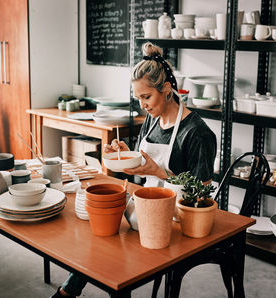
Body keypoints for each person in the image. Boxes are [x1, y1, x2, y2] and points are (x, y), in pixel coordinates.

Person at [51, 42, 217, 298]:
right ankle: (68, 291)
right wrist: (123, 154)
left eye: (147, 97)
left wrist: (162, 174)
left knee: (111, 244)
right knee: (102, 231)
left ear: (167, 89)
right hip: (145, 203)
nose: (143, 106)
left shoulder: (197, 133)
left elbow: (203, 194)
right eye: (138, 98)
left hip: (177, 220)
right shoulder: (153, 118)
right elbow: (141, 161)